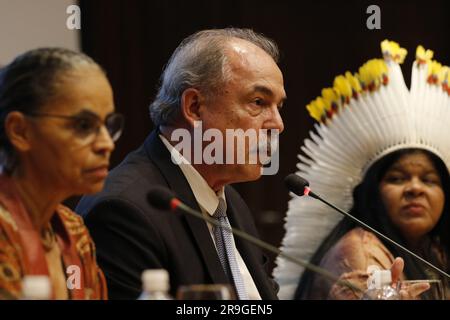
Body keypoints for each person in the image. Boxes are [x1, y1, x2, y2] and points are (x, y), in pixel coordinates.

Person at [76, 28, 285, 299]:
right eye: (258, 102)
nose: (277, 125)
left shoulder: (230, 203)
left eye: (279, 106)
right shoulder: (123, 211)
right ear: (195, 107)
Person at [274, 40, 450, 299]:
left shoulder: (432, 249)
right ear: (372, 192)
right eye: (397, 178)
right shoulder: (360, 253)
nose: (415, 188)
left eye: (429, 180)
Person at [0, 48, 124, 299]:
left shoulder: (74, 230)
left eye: (107, 125)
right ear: (20, 131)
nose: (106, 144)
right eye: (83, 126)